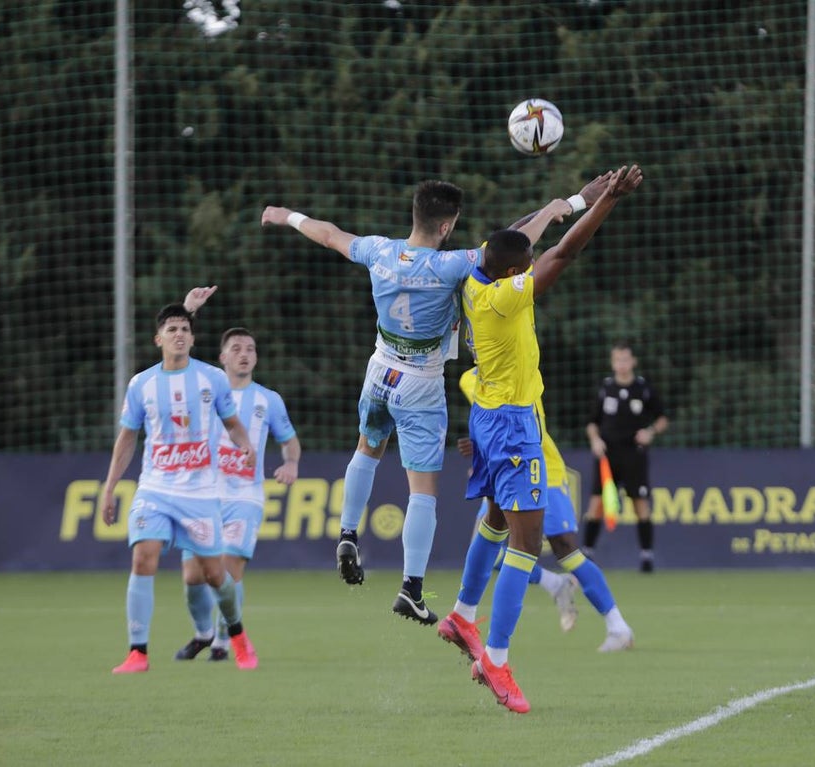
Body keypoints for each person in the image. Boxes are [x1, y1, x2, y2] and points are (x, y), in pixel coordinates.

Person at [259, 176, 607, 625]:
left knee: (367, 448)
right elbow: (512, 247)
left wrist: (287, 216)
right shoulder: (451, 265)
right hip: (419, 380)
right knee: (422, 489)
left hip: (379, 368)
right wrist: (569, 204)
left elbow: (328, 234)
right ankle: (412, 588)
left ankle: (347, 532)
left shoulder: (380, 251)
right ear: (447, 226)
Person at [439, 164, 644, 713]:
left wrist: (574, 199)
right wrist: (608, 203)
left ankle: (462, 613)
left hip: (488, 416)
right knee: (527, 545)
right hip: (513, 425)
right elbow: (563, 255)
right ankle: (497, 661)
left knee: (497, 519)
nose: (532, 260)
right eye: (524, 264)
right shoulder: (506, 299)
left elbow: (523, 235)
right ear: (512, 273)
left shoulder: (478, 275)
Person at [100, 304, 259, 673]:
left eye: (185, 328)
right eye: (171, 329)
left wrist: (245, 443)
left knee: (214, 575)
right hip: (155, 488)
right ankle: (137, 652)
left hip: (200, 493)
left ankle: (236, 633)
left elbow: (233, 424)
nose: (179, 334)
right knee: (143, 556)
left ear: (192, 337)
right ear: (159, 339)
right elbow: (126, 440)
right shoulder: (142, 384)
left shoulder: (211, 379)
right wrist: (110, 488)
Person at [442, 367, 635, 657]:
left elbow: (529, 422)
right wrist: (482, 450)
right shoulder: (468, 380)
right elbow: (485, 422)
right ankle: (554, 584)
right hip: (503, 470)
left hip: (540, 466)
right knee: (487, 551)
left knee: (566, 549)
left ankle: (618, 627)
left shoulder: (521, 366)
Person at [171, 287, 302, 662]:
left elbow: (290, 441)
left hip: (244, 497)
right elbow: (177, 357)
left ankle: (225, 641)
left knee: (227, 570)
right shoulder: (205, 387)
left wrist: (291, 462)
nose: (245, 355)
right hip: (200, 495)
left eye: (250, 350)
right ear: (221, 357)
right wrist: (188, 310)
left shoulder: (268, 400)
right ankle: (203, 632)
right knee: (193, 578)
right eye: (237, 349)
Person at [582, 342, 669, 572]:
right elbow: (592, 423)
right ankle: (587, 554)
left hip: (634, 455)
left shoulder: (643, 388)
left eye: (625, 359)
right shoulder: (605, 388)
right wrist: (595, 440)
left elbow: (662, 418)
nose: (621, 364)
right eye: (617, 360)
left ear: (633, 362)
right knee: (596, 504)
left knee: (640, 504)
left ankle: (646, 557)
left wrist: (650, 432)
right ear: (612, 363)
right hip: (607, 455)